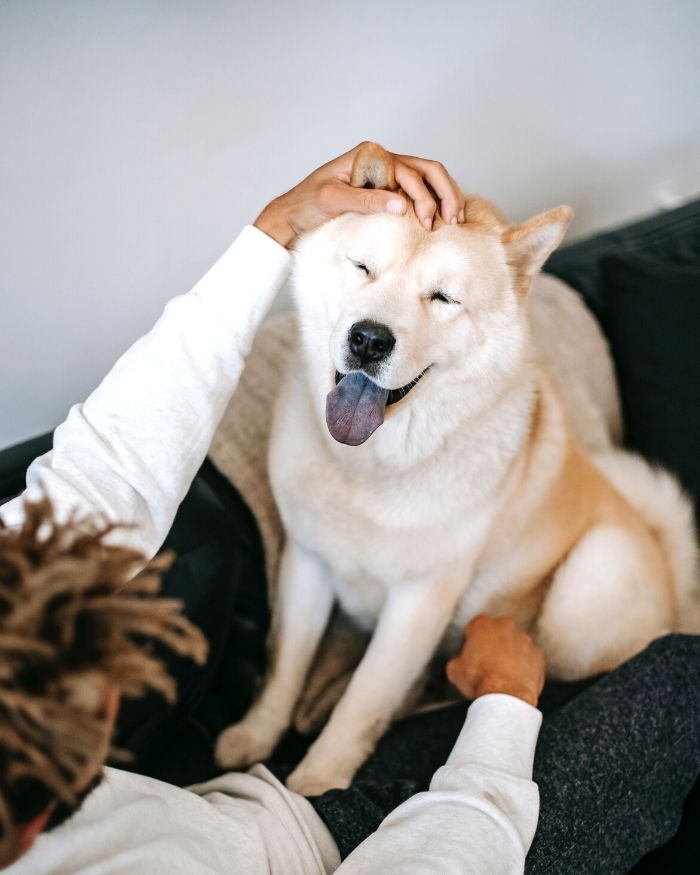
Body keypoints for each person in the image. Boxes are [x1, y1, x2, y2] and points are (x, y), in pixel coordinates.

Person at [0, 143, 698, 874]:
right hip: (356, 834)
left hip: (569, 574)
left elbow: (105, 475)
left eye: (440, 295)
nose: (375, 320)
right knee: (682, 676)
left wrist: (278, 222)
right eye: (364, 269)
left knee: (615, 629)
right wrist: (505, 698)